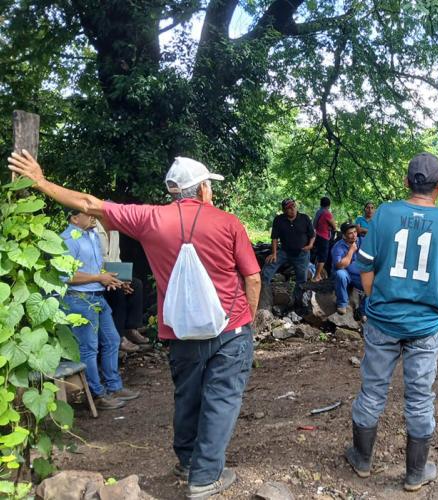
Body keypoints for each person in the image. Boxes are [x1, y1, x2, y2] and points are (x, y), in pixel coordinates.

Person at [9, 152, 261, 499]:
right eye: (209, 186)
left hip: (180, 332)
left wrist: (39, 181)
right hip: (230, 331)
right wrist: (248, 320)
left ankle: (188, 463)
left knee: (187, 395)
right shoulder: (228, 222)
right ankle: (204, 478)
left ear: (174, 191)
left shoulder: (150, 219)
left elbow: (89, 204)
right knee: (222, 397)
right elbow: (252, 277)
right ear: (203, 189)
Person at [345, 152, 438, 492]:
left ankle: (362, 459)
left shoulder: (384, 214)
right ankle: (415, 473)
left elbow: (365, 267)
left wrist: (375, 299)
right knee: (419, 396)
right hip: (425, 326)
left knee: (372, 389)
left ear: (406, 182)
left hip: (383, 321)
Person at [60, 210, 141, 411]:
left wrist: (114, 280)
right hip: (78, 299)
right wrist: (98, 278)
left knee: (112, 340)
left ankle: (114, 387)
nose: (93, 217)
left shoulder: (93, 235)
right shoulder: (68, 240)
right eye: (87, 214)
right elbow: (66, 276)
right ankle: (97, 395)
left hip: (97, 296)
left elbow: (96, 268)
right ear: (74, 218)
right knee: (89, 348)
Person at [96, 221, 149, 348]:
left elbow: (116, 257)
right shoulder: (94, 230)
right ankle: (119, 336)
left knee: (135, 284)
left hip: (114, 273)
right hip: (99, 276)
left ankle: (131, 328)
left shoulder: (114, 230)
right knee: (117, 290)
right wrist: (114, 279)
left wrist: (123, 278)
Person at [262, 198, 315, 307]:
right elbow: (274, 238)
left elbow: (312, 234)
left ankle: (297, 302)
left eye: (293, 206)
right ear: (284, 210)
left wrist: (310, 245)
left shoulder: (304, 218)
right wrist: (274, 253)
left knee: (301, 279)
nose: (292, 209)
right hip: (284, 251)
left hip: (302, 253)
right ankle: (263, 294)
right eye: (289, 208)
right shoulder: (279, 219)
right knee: (268, 268)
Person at [331, 222, 364, 315]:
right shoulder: (338, 246)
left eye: (355, 232)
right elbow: (340, 265)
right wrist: (351, 250)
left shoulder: (361, 241)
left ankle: (363, 311)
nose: (354, 235)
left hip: (358, 275)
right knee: (340, 274)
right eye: (350, 233)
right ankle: (342, 304)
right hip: (346, 274)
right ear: (344, 235)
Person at [311, 197, 337, 282]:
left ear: (320, 204)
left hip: (317, 236)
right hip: (324, 237)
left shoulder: (319, 212)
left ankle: (318, 275)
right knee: (323, 257)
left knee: (319, 256)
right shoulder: (327, 213)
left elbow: (315, 225)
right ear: (329, 205)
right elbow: (334, 226)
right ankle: (316, 276)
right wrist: (331, 227)